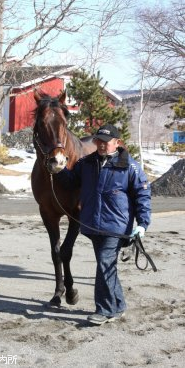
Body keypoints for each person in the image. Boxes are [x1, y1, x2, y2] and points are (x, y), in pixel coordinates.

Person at [57, 124, 151, 325]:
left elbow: (142, 195)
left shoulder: (130, 167)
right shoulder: (87, 163)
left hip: (116, 226)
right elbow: (71, 181)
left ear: (116, 143)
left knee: (104, 263)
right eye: (98, 141)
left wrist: (142, 224)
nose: (101, 145)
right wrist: (59, 169)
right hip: (93, 225)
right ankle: (118, 306)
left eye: (106, 142)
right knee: (107, 266)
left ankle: (104, 309)